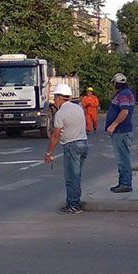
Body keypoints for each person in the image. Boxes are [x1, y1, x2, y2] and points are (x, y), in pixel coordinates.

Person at [44, 83, 88, 213]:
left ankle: (73, 205)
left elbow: (55, 135)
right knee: (77, 175)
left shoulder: (61, 113)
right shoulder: (78, 108)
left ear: (58, 98)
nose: (54, 102)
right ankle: (75, 201)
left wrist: (49, 153)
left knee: (71, 177)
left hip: (72, 146)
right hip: (83, 144)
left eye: (55, 99)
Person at [105, 73, 136, 193]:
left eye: (114, 83)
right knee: (122, 158)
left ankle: (126, 183)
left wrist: (113, 125)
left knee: (123, 159)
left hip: (121, 131)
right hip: (121, 131)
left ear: (117, 83)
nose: (113, 85)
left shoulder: (124, 94)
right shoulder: (126, 93)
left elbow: (124, 112)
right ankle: (122, 182)